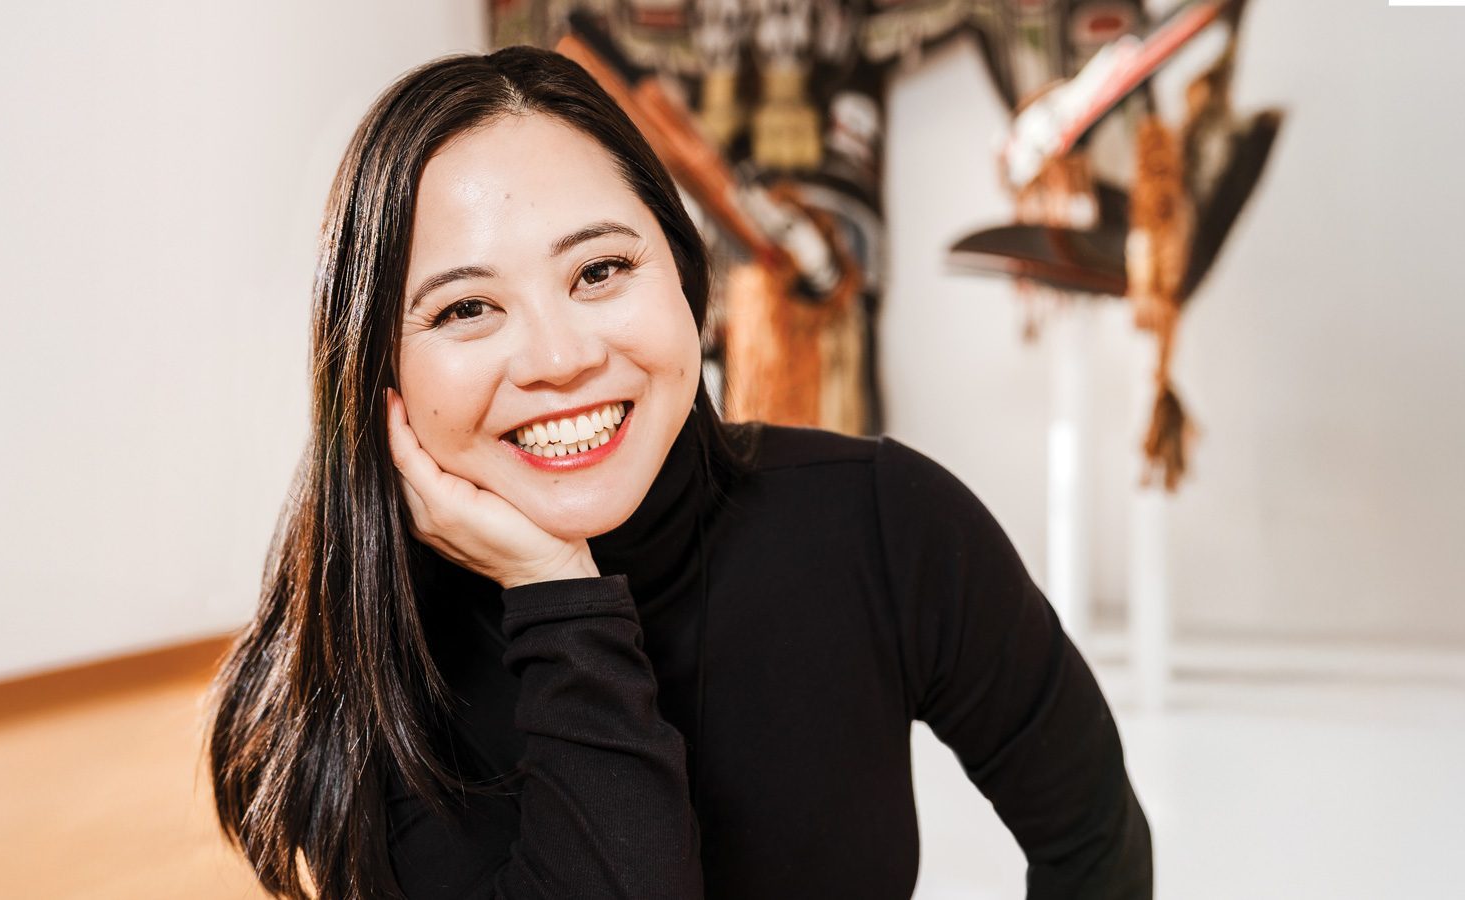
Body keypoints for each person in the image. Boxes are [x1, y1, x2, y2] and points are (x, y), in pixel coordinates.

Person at [205, 45, 1153, 900]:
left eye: (600, 271)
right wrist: (558, 597)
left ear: (685, 280)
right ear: (377, 372)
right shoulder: (366, 652)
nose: (559, 356)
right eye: (465, 310)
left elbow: (1092, 836)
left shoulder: (884, 520)